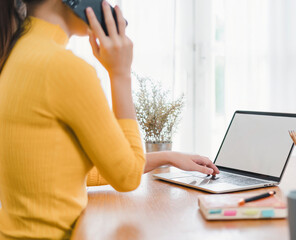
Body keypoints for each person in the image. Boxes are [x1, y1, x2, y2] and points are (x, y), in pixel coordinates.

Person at [0, 0, 219, 239]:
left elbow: (69, 173)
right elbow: (126, 176)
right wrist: (120, 73)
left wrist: (167, 156)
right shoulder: (64, 68)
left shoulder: (14, 56)